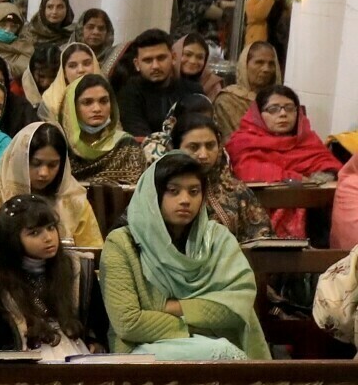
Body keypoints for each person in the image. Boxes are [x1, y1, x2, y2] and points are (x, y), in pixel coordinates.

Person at [99, 153, 270, 362]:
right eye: (173, 191)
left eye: (194, 191)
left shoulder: (217, 239)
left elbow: (236, 307)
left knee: (223, 352)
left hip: (211, 341)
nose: (185, 200)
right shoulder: (121, 243)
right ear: (153, 194)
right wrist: (192, 322)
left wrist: (170, 307)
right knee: (225, 354)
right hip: (140, 347)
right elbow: (129, 323)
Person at [0, 195, 92, 384]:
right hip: (20, 358)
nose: (48, 238)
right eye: (34, 233)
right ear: (12, 239)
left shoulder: (73, 267)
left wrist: (95, 341)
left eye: (51, 228)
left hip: (72, 350)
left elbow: (94, 317)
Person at [225, 83, 339, 238]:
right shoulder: (243, 142)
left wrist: (320, 179)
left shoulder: (308, 140)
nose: (283, 114)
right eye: (273, 109)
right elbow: (247, 170)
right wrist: (297, 179)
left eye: (290, 108)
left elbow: (330, 166)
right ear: (257, 115)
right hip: (259, 215)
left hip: (314, 219)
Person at [0, 122, 102, 246]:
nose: (44, 173)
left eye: (52, 165)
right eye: (36, 164)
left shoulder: (74, 201)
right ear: (19, 160)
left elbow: (90, 253)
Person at [172, 113, 273, 244]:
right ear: (175, 148)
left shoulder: (236, 190)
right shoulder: (164, 189)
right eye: (193, 147)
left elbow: (262, 237)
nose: (203, 155)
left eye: (210, 146)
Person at [114, 27, 203, 138]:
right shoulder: (128, 94)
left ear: (174, 58)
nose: (155, 66)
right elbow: (142, 139)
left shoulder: (193, 91)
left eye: (161, 58)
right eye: (148, 60)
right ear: (137, 64)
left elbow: (202, 132)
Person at [62, 73, 147, 187]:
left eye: (104, 101)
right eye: (87, 102)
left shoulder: (126, 146)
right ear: (72, 107)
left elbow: (137, 192)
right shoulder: (62, 148)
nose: (97, 109)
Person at [213, 42, 280, 140]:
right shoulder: (228, 100)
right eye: (259, 62)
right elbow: (238, 140)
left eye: (271, 64)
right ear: (244, 65)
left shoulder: (281, 100)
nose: (266, 69)